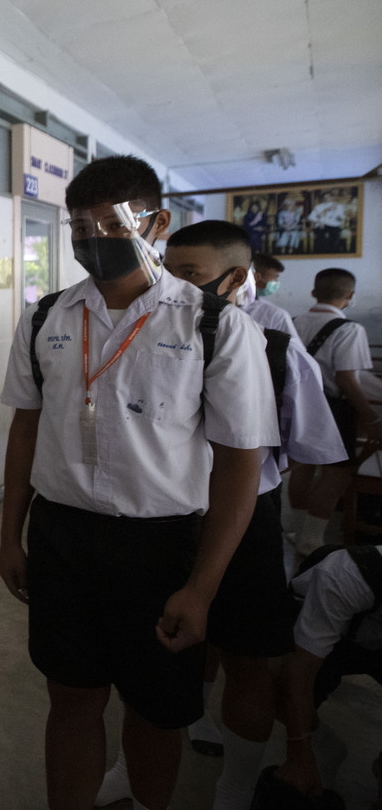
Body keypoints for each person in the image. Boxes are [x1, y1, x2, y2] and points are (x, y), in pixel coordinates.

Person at [0, 156, 277, 810]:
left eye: (113, 224)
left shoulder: (213, 326)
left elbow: (240, 466)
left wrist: (203, 586)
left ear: (156, 223)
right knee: (70, 698)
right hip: (64, 539)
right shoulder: (47, 318)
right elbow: (24, 431)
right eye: (80, 226)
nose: (94, 238)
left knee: (155, 712)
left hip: (163, 546)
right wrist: (11, 537)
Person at [157, 220, 345, 810]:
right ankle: (163, 742)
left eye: (190, 275)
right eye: (168, 271)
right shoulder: (150, 325)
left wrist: (281, 510)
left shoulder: (275, 341)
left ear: (235, 278)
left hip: (244, 516)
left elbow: (309, 445)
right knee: (164, 644)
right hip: (164, 511)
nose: (172, 287)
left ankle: (235, 787)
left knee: (248, 655)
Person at [269, 544, 382, 809]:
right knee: (275, 691)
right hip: (334, 629)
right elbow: (300, 671)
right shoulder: (347, 574)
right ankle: (327, 749)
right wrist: (300, 751)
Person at [290, 269, 382, 556]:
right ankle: (312, 539)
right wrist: (370, 415)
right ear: (349, 296)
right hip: (333, 407)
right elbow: (346, 379)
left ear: (314, 292)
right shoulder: (350, 330)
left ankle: (296, 530)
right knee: (336, 474)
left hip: (297, 403)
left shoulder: (293, 322)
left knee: (302, 466)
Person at [249, 253, 298, 338]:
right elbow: (295, 350)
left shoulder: (270, 311)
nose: (276, 282)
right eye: (275, 277)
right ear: (257, 277)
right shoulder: (276, 315)